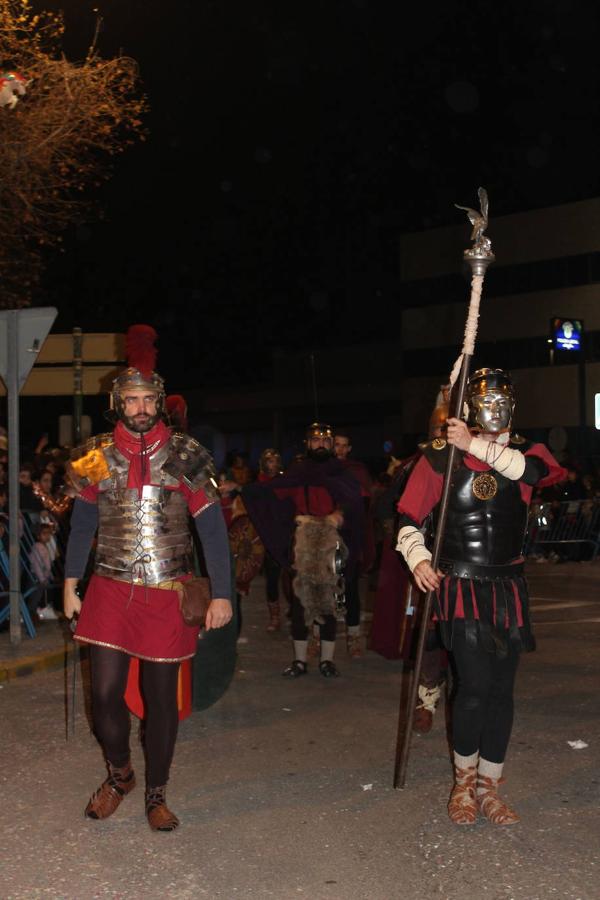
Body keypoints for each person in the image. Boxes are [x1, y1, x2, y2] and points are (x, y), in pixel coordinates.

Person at [63, 365, 232, 832]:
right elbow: (81, 526)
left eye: (148, 400)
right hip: (109, 589)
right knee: (103, 695)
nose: (140, 409)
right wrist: (70, 582)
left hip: (166, 591)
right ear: (118, 404)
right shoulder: (95, 458)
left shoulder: (185, 454)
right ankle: (121, 776)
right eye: (131, 400)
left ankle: (157, 793)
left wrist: (221, 593)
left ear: (159, 404)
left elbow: (212, 530)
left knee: (160, 700)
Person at [395, 369, 565, 826]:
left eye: (503, 401)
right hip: (462, 586)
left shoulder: (526, 453)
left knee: (501, 691)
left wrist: (472, 444)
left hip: (507, 586)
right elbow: (410, 519)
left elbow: (535, 473)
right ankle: (463, 785)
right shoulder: (437, 458)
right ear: (470, 406)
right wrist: (419, 559)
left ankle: (491, 786)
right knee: (472, 689)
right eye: (487, 401)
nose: (496, 410)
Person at [243, 423, 364, 678]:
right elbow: (273, 490)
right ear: (307, 444)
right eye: (315, 441)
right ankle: (299, 661)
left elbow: (354, 501)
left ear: (331, 446)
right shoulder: (299, 471)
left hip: (331, 543)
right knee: (300, 604)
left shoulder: (340, 473)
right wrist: (242, 489)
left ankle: (327, 661)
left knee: (328, 602)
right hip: (303, 543)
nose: (320, 445)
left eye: (325, 441)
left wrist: (338, 515)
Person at [332, 430, 374, 658]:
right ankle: (317, 639)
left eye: (343, 445)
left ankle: (353, 638)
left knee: (351, 588)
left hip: (351, 537)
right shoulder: (322, 470)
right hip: (326, 538)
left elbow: (364, 502)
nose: (339, 449)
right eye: (336, 445)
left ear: (349, 449)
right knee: (323, 589)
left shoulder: (357, 470)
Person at [257, 449, 283, 631]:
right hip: (268, 536)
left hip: (286, 533)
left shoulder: (285, 482)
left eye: (274, 461)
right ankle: (274, 617)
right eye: (268, 461)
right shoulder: (258, 484)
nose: (271, 464)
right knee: (272, 578)